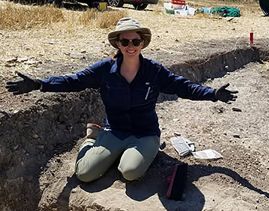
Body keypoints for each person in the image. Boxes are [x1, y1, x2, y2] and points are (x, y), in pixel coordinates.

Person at [5, 17, 238, 183]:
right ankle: (92, 138)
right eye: (124, 42)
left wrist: (213, 94)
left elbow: (182, 86)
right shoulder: (105, 70)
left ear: (142, 43)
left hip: (145, 133)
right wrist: (40, 84)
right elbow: (74, 80)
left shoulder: (154, 72)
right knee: (85, 174)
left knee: (130, 172)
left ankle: (143, 151)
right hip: (114, 130)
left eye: (135, 41)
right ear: (117, 43)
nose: (130, 46)